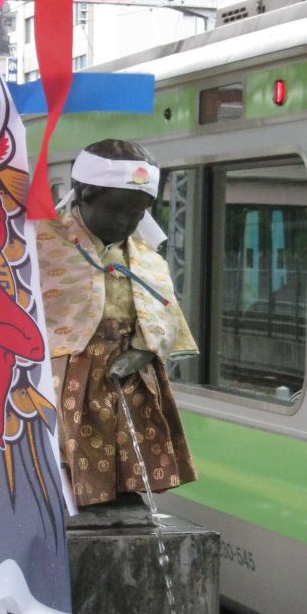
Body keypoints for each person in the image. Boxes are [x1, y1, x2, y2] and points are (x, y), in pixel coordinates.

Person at [36, 139, 198, 507]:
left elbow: (163, 308)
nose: (127, 222)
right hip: (67, 365)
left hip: (130, 366)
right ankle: (73, 498)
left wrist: (143, 348)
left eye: (138, 214)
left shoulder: (142, 255)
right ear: (84, 193)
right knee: (73, 439)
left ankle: (124, 498)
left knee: (130, 440)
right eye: (117, 210)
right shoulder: (42, 242)